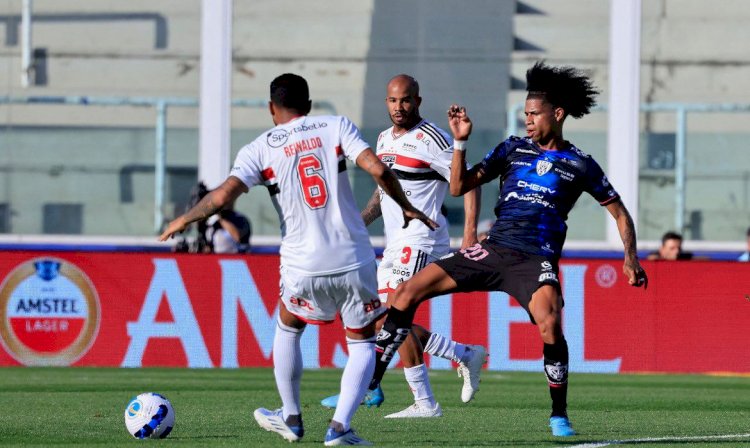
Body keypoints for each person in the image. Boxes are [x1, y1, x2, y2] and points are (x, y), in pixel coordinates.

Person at [370, 61, 649, 438]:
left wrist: (629, 258)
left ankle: (559, 414)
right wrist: (460, 142)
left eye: (534, 114)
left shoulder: (580, 163)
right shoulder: (512, 148)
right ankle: (369, 384)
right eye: (525, 114)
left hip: (535, 259)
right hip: (494, 249)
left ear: (558, 114)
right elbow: (458, 186)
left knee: (550, 323)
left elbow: (619, 212)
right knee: (405, 293)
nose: (528, 121)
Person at [159, 73, 437, 446]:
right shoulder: (335, 125)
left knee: (289, 324)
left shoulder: (259, 148)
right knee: (361, 341)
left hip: (302, 262)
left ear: (272, 109)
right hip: (353, 255)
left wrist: (184, 218)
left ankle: (291, 416)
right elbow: (378, 169)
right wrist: (407, 207)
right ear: (309, 105)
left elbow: (223, 197)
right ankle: (340, 428)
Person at [319, 74, 487, 418]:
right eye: (394, 101)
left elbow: (468, 182)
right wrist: (355, 224)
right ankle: (455, 363)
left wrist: (469, 233)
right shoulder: (382, 140)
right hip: (395, 242)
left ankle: (389, 391)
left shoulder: (433, 141)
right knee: (384, 320)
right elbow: (383, 194)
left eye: (406, 100)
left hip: (423, 239)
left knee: (395, 313)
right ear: (386, 102)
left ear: (418, 101)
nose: (400, 107)